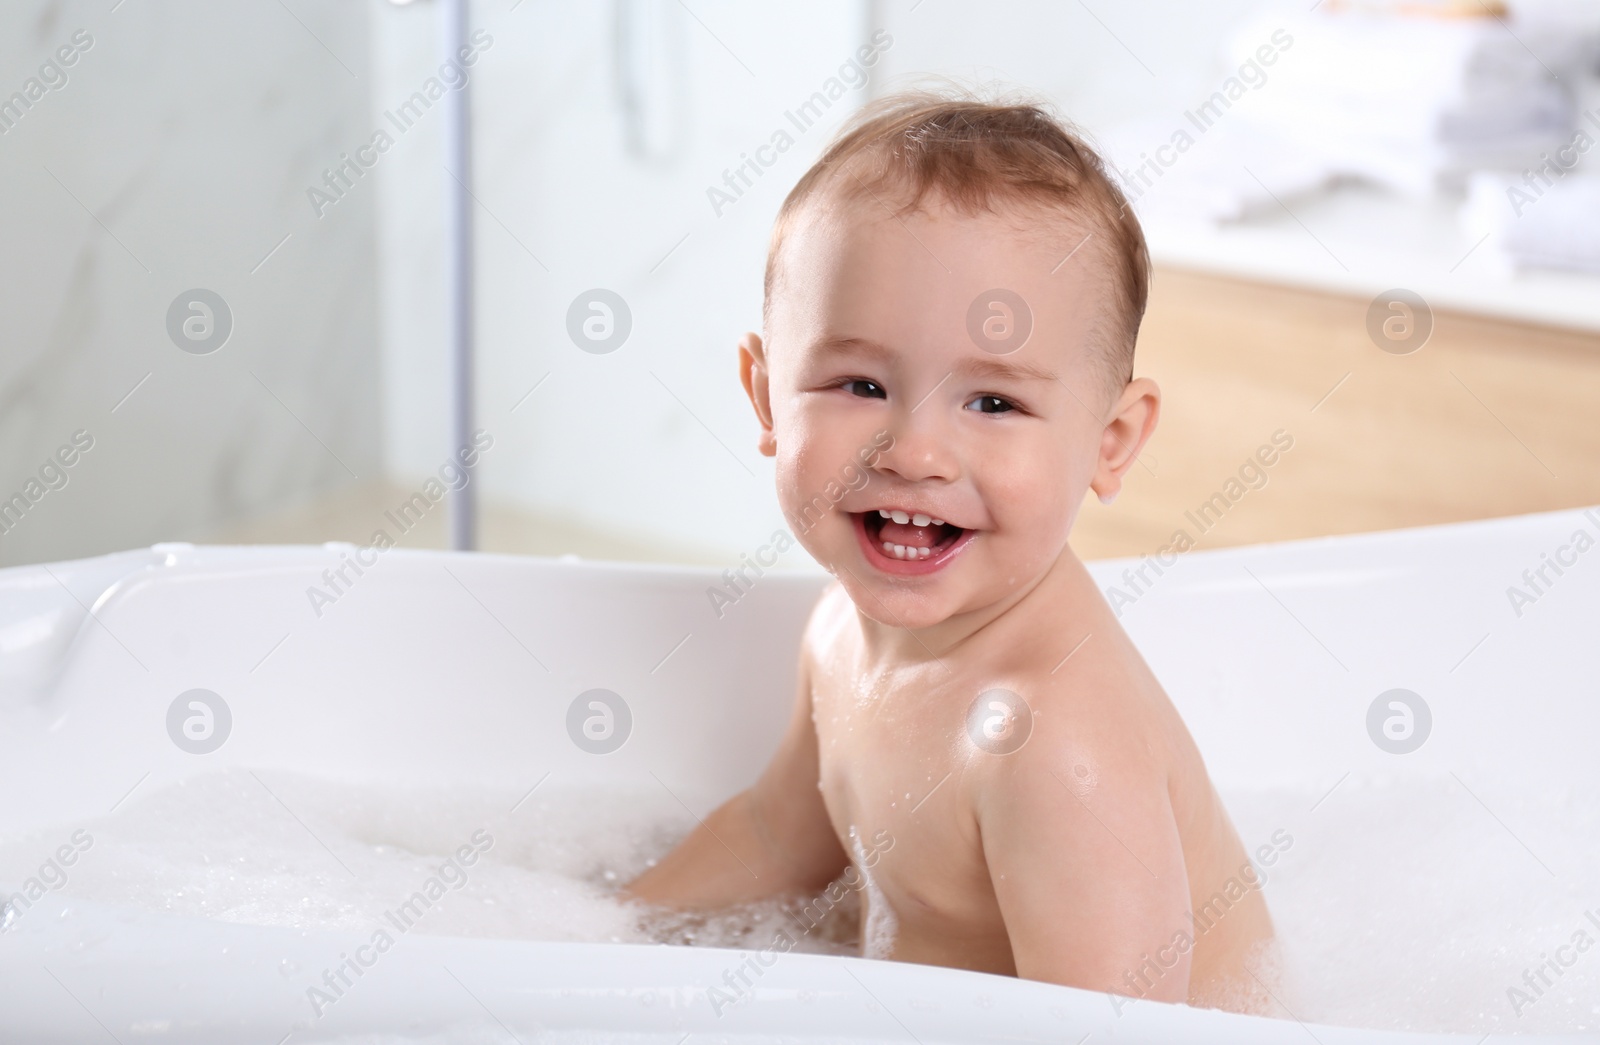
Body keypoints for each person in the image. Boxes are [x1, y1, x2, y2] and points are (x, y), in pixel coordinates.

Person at [624, 88, 1274, 1011]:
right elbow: (779, 838)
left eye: (994, 402)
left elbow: (1112, 1029)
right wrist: (592, 929)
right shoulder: (841, 630)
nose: (916, 454)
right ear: (767, 398)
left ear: (1111, 441)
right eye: (859, 383)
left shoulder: (1051, 743)